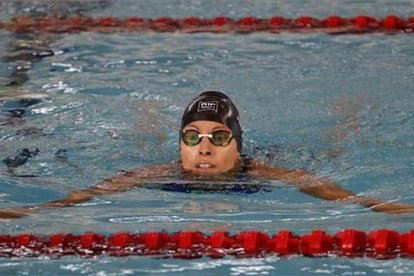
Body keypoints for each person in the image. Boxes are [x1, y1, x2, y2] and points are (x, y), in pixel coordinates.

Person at [1, 91, 414, 219]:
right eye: (191, 136)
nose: (202, 147)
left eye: (218, 138)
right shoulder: (153, 173)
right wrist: (27, 214)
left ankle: (349, 117)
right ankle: (146, 117)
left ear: (237, 146)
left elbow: (336, 195)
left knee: (335, 148)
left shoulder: (268, 172)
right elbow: (85, 197)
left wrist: (380, 205)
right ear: (180, 144)